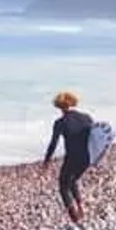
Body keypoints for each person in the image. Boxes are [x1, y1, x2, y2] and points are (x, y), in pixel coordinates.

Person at [43, 90, 94, 223]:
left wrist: (46, 162)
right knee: (72, 181)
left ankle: (74, 217)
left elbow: (53, 143)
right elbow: (95, 138)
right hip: (86, 157)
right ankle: (81, 207)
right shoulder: (87, 118)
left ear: (59, 106)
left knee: (63, 186)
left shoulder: (60, 122)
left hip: (72, 158)